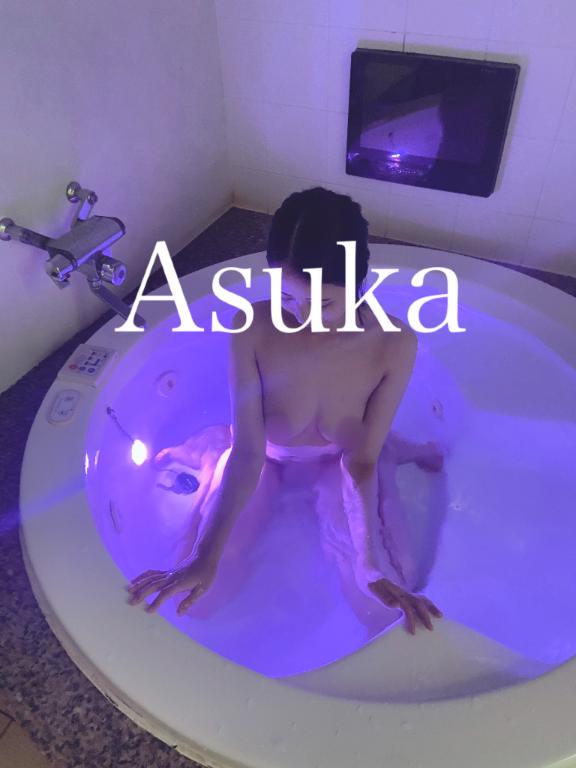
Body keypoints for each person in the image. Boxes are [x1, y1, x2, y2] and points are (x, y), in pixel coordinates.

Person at [126, 186, 445, 636]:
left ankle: (408, 451)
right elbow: (248, 452)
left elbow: (361, 460)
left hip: (341, 462)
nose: (302, 316)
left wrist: (370, 562)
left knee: (381, 609)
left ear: (359, 281)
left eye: (325, 303)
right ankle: (210, 450)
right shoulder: (253, 328)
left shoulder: (393, 344)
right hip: (264, 458)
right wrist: (204, 555)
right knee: (194, 600)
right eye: (289, 298)